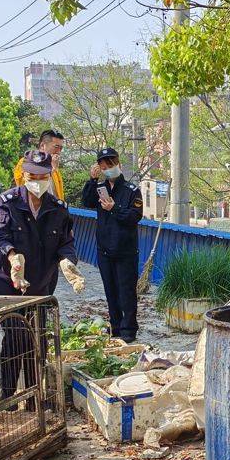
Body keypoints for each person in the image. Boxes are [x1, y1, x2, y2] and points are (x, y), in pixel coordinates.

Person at [0, 149, 85, 401]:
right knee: (15, 336)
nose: (37, 181)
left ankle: (34, 397)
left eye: (43, 177)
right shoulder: (6, 202)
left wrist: (67, 262)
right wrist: (12, 256)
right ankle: (8, 398)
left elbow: (66, 242)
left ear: (50, 176)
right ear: (23, 175)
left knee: (38, 337)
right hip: (7, 280)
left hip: (41, 281)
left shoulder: (58, 208)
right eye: (33, 176)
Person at [82, 147, 143, 343]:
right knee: (110, 291)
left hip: (125, 251)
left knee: (126, 291)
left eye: (111, 164)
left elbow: (135, 216)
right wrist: (92, 180)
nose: (108, 169)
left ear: (118, 164)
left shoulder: (131, 190)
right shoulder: (100, 188)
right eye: (103, 166)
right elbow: (86, 202)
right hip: (104, 249)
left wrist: (114, 208)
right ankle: (115, 326)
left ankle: (129, 329)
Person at [12, 129, 66, 201]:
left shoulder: (55, 168)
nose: (58, 152)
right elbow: (28, 189)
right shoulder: (26, 163)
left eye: (61, 148)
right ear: (42, 145)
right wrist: (52, 169)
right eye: (56, 147)